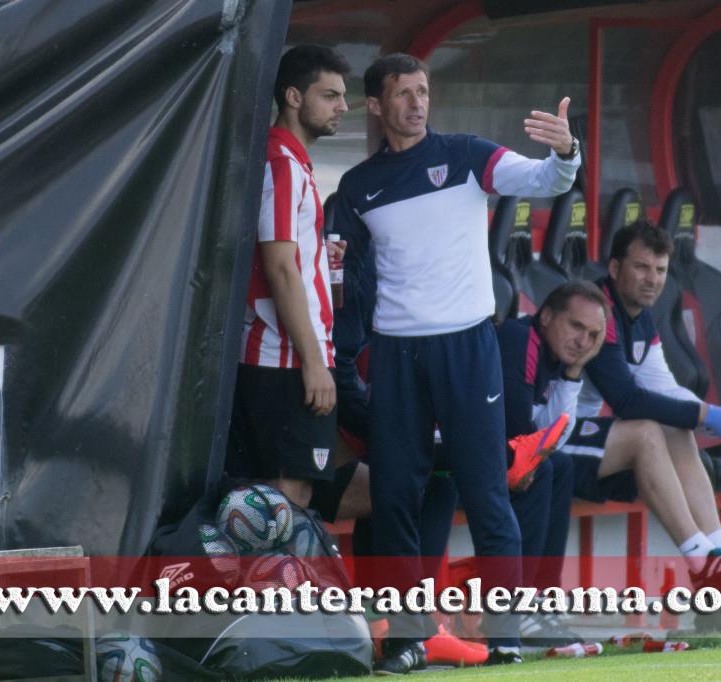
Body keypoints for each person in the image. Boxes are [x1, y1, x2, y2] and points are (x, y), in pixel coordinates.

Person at [333, 52, 581, 673]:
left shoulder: (468, 155)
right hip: (394, 356)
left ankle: (505, 639)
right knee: (394, 497)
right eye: (403, 93)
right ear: (375, 106)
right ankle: (408, 637)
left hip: (468, 349)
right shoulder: (357, 187)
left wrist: (565, 152)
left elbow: (546, 182)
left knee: (485, 490)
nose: (417, 103)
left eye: (423, 91)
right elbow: (341, 280)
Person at [563, 220, 721, 583]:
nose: (651, 278)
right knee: (646, 432)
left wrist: (706, 416)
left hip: (584, 442)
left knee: (675, 424)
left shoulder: (641, 318)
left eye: (660, 270)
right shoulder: (597, 311)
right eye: (640, 267)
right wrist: (708, 414)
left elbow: (663, 389)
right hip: (547, 443)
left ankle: (720, 549)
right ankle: (702, 562)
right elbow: (627, 401)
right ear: (615, 268)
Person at [226, 45, 350, 509]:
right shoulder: (281, 163)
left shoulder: (291, 162)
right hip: (284, 359)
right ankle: (278, 584)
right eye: (330, 95)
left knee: (284, 493)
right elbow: (279, 267)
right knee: (288, 494)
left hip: (285, 355)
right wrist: (313, 363)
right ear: (294, 97)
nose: (342, 106)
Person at [494, 280, 606, 646]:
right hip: (447, 452)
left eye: (593, 336)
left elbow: (553, 437)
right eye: (576, 327)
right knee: (541, 469)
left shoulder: (554, 357)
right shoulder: (520, 338)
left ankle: (539, 600)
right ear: (545, 316)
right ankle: (516, 606)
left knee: (560, 466)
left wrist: (575, 373)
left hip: (487, 454)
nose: (583, 341)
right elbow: (516, 433)